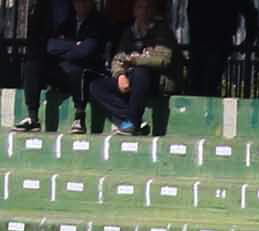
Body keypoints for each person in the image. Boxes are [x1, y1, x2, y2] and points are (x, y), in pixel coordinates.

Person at [87, 0, 182, 136]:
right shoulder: (129, 32)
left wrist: (135, 60)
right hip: (133, 79)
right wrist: (120, 75)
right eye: (140, 7)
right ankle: (134, 120)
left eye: (148, 7)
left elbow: (164, 60)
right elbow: (118, 58)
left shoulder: (162, 30)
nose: (144, 11)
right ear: (134, 11)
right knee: (96, 86)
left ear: (153, 10)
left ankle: (131, 122)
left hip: (158, 81)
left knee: (141, 71)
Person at [13, 0, 110, 133]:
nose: (80, 5)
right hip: (64, 70)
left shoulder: (99, 22)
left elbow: (86, 52)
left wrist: (65, 49)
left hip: (87, 74)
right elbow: (50, 45)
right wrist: (74, 45)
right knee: (33, 64)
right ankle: (32, 117)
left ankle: (79, 117)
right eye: (77, 2)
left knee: (77, 69)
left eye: (85, 2)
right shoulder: (68, 21)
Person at [183, 0, 259, 97]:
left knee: (200, 80)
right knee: (207, 80)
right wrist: (249, 38)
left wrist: (249, 38)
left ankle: (202, 96)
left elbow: (250, 13)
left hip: (205, 40)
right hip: (216, 40)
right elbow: (250, 13)